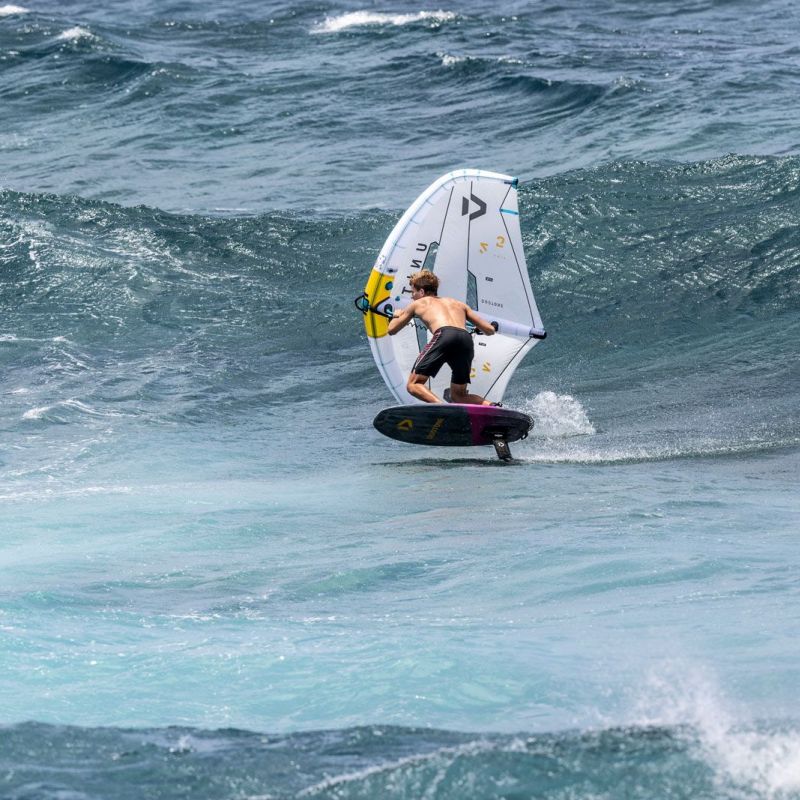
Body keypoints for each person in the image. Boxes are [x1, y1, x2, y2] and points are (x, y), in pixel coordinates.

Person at [387, 269, 497, 405]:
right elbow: (489, 330)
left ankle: (441, 407)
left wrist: (395, 316)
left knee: (413, 385)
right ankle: (493, 406)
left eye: (413, 292)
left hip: (444, 336)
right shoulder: (458, 304)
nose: (412, 297)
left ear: (421, 292)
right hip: (465, 339)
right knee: (459, 395)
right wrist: (493, 326)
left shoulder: (418, 303)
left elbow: (392, 330)